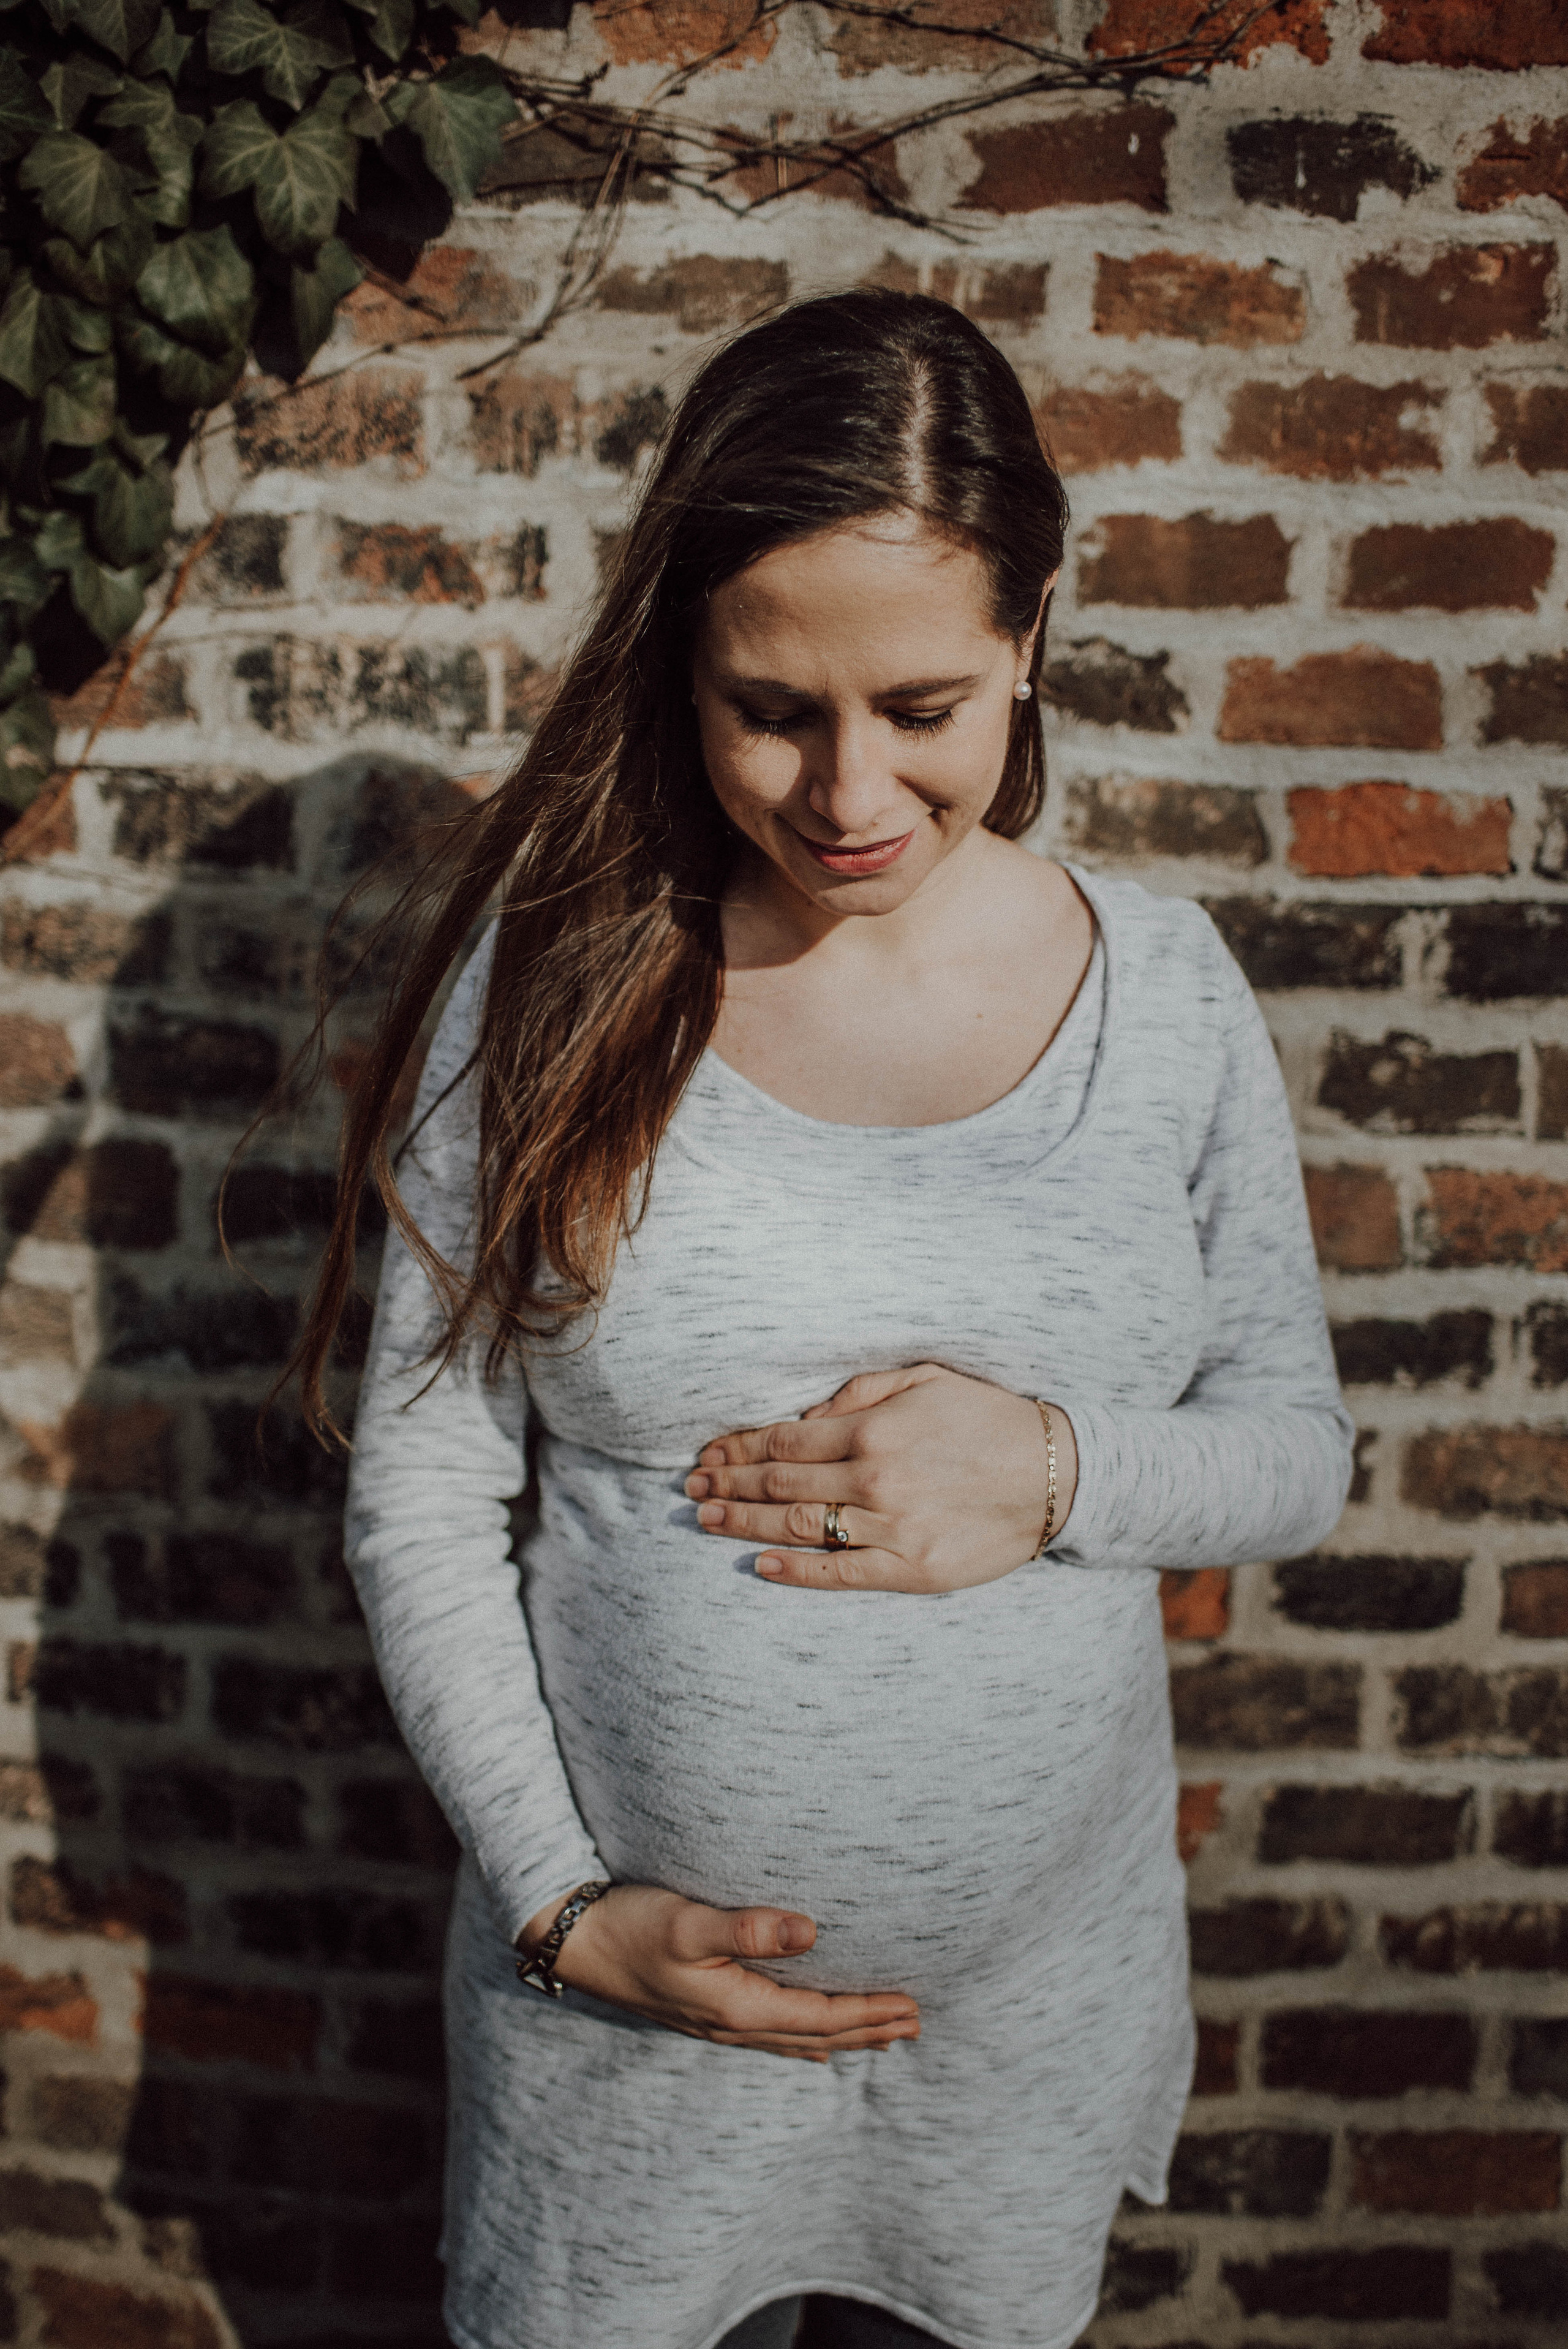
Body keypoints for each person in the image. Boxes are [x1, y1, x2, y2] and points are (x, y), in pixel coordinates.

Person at [290, 289, 1354, 2349]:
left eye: (924, 705)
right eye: (771, 706)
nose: (849, 789)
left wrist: (1052, 1467)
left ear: (1032, 633)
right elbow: (421, 1490)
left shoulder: (1165, 995)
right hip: (627, 2051)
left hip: (1008, 2046)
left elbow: (1295, 1446)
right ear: (683, 664)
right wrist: (563, 1905)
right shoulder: (557, 985)